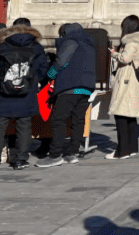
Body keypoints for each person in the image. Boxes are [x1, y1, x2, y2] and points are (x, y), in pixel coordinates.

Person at [0, 22, 48, 173]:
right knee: (24, 127)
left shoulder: (1, 46)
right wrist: (31, 83)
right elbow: (42, 71)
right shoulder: (36, 47)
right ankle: (20, 160)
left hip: (1, 93)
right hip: (26, 93)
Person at [36, 23, 97, 168]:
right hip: (85, 88)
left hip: (70, 87)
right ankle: (72, 153)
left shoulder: (71, 41)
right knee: (78, 120)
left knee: (58, 119)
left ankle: (55, 155)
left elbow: (61, 62)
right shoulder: (88, 45)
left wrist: (50, 75)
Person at [106, 16, 139, 160]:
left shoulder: (131, 42)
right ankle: (132, 148)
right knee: (130, 116)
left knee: (121, 116)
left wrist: (114, 54)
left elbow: (125, 59)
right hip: (134, 82)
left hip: (127, 81)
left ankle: (122, 150)